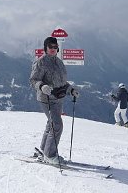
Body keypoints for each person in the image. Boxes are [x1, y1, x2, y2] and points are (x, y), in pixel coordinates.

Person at [30, 36, 79, 165]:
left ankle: (44, 149)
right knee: (57, 125)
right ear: (45, 48)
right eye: (50, 47)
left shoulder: (59, 62)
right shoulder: (41, 62)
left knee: (51, 123)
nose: (53, 49)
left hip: (58, 99)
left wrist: (70, 90)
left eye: (55, 47)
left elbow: (61, 82)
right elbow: (33, 80)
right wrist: (42, 86)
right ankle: (50, 154)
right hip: (46, 98)